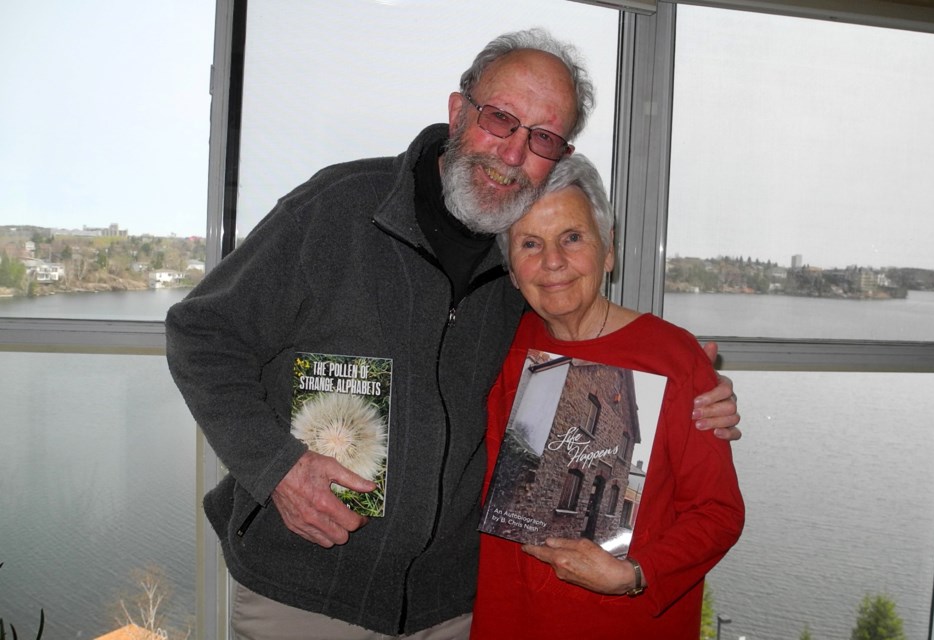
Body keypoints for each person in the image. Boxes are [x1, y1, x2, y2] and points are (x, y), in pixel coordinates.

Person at [165, 28, 740, 639]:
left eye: (542, 137)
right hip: (304, 591)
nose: (514, 153)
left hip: (453, 609)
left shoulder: (515, 261)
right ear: (458, 110)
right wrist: (277, 467)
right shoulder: (340, 209)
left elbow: (591, 345)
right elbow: (202, 333)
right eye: (501, 119)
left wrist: (692, 384)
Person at [470, 153, 745, 639]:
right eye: (530, 244)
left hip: (628, 624)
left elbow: (718, 512)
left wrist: (636, 573)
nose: (552, 262)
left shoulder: (673, 356)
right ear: (511, 268)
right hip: (510, 620)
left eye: (572, 238)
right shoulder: (497, 345)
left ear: (609, 250)